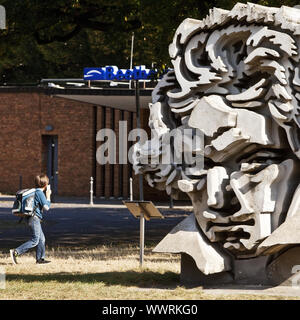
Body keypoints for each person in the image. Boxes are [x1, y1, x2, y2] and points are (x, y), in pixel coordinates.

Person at [10, 174, 52, 264]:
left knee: (42, 239)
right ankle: (16, 252)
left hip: (31, 217)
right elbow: (46, 207)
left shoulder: (35, 191)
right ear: (45, 185)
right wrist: (48, 196)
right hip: (34, 218)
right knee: (35, 240)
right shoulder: (40, 193)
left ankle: (40, 259)